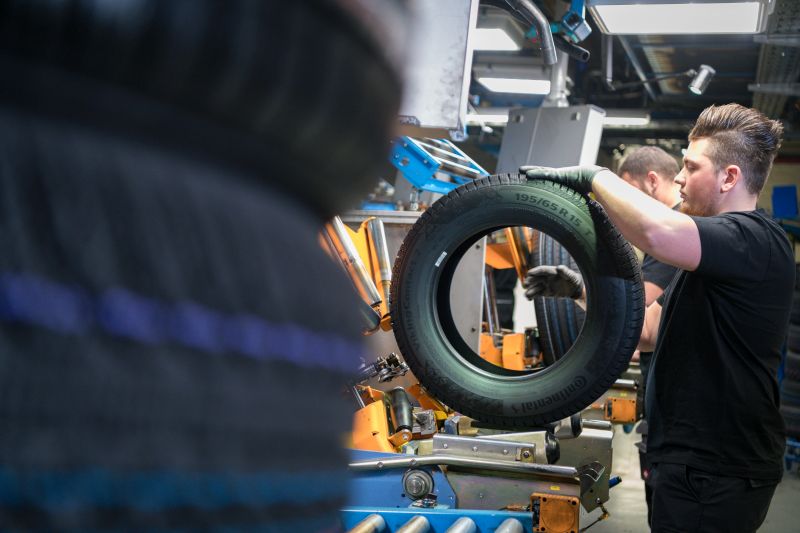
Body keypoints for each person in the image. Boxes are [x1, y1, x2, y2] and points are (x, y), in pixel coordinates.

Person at [521, 103, 794, 533]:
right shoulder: (709, 261)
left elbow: (657, 232)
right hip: (689, 461)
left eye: (691, 166)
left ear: (729, 178)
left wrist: (595, 177)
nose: (679, 178)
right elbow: (647, 331)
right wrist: (579, 291)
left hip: (716, 469)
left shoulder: (755, 240)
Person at [526, 145, 682, 525]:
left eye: (626, 191)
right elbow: (643, 326)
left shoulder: (675, 234)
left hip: (684, 433)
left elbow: (635, 319)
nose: (618, 207)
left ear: (651, 181)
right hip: (670, 423)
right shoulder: (677, 236)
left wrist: (583, 291)